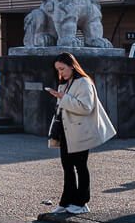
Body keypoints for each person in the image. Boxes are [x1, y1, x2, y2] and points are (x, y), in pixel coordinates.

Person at [44, 53, 115, 214]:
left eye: (62, 68)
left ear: (72, 65)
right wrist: (61, 97)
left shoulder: (83, 82)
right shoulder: (66, 83)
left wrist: (63, 97)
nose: (61, 72)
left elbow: (85, 107)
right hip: (67, 131)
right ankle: (67, 201)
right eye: (58, 70)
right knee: (67, 167)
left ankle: (82, 202)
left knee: (80, 166)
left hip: (80, 131)